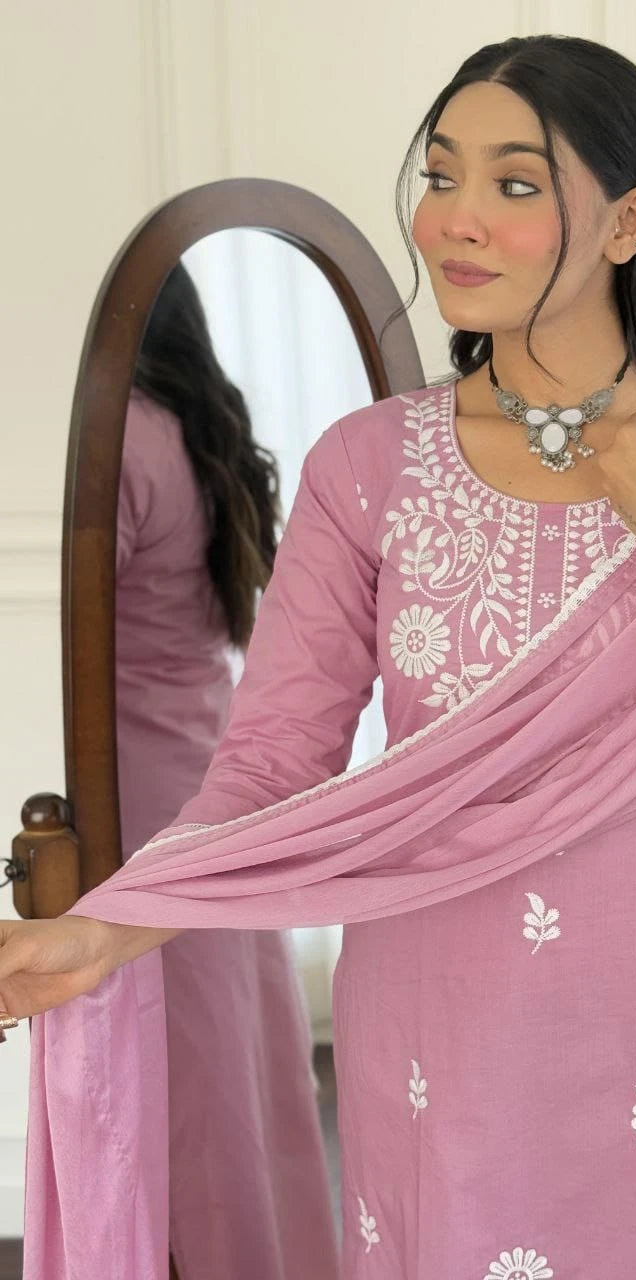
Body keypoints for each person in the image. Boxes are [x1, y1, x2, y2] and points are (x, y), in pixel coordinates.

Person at [2, 34, 636, 1280]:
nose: (454, 218)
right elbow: (271, 768)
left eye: (513, 183)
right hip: (434, 1022)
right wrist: (108, 929)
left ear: (629, 222)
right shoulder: (369, 465)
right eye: (441, 175)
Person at [105, 264, 341, 1276]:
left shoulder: (122, 436)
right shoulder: (203, 429)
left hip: (146, 780)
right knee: (236, 1050)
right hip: (209, 756)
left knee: (196, 1067)